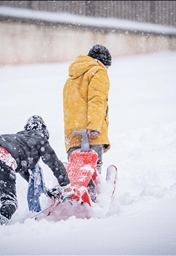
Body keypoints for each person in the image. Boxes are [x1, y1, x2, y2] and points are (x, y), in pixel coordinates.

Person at [0, 115, 72, 234]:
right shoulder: (39, 139)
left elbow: (25, 172)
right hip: (2, 156)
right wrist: (67, 187)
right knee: (10, 202)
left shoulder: (19, 140)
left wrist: (46, 191)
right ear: (44, 131)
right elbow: (54, 163)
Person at [63, 44, 112, 201]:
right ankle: (93, 201)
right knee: (93, 170)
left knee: (77, 173)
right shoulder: (98, 72)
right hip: (91, 133)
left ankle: (76, 200)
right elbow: (96, 101)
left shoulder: (72, 77)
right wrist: (94, 127)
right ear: (102, 62)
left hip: (72, 134)